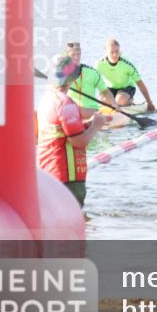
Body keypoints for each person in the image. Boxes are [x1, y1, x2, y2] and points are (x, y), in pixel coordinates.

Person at [36, 54, 107, 207]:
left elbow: (60, 131)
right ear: (72, 79)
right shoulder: (65, 103)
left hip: (48, 173)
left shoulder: (45, 99)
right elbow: (78, 141)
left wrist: (87, 124)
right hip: (67, 177)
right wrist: (96, 126)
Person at [96, 38, 155, 111]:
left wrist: (149, 102)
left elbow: (140, 83)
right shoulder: (99, 64)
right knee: (102, 100)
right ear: (106, 52)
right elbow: (92, 82)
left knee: (120, 100)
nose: (115, 55)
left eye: (117, 51)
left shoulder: (126, 64)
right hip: (110, 88)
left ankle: (129, 101)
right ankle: (114, 104)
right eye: (111, 52)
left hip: (127, 87)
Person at [65, 42, 115, 119]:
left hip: (91, 110)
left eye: (78, 54)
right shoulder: (61, 73)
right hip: (72, 111)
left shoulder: (92, 72)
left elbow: (105, 92)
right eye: (73, 55)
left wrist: (114, 103)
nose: (77, 57)